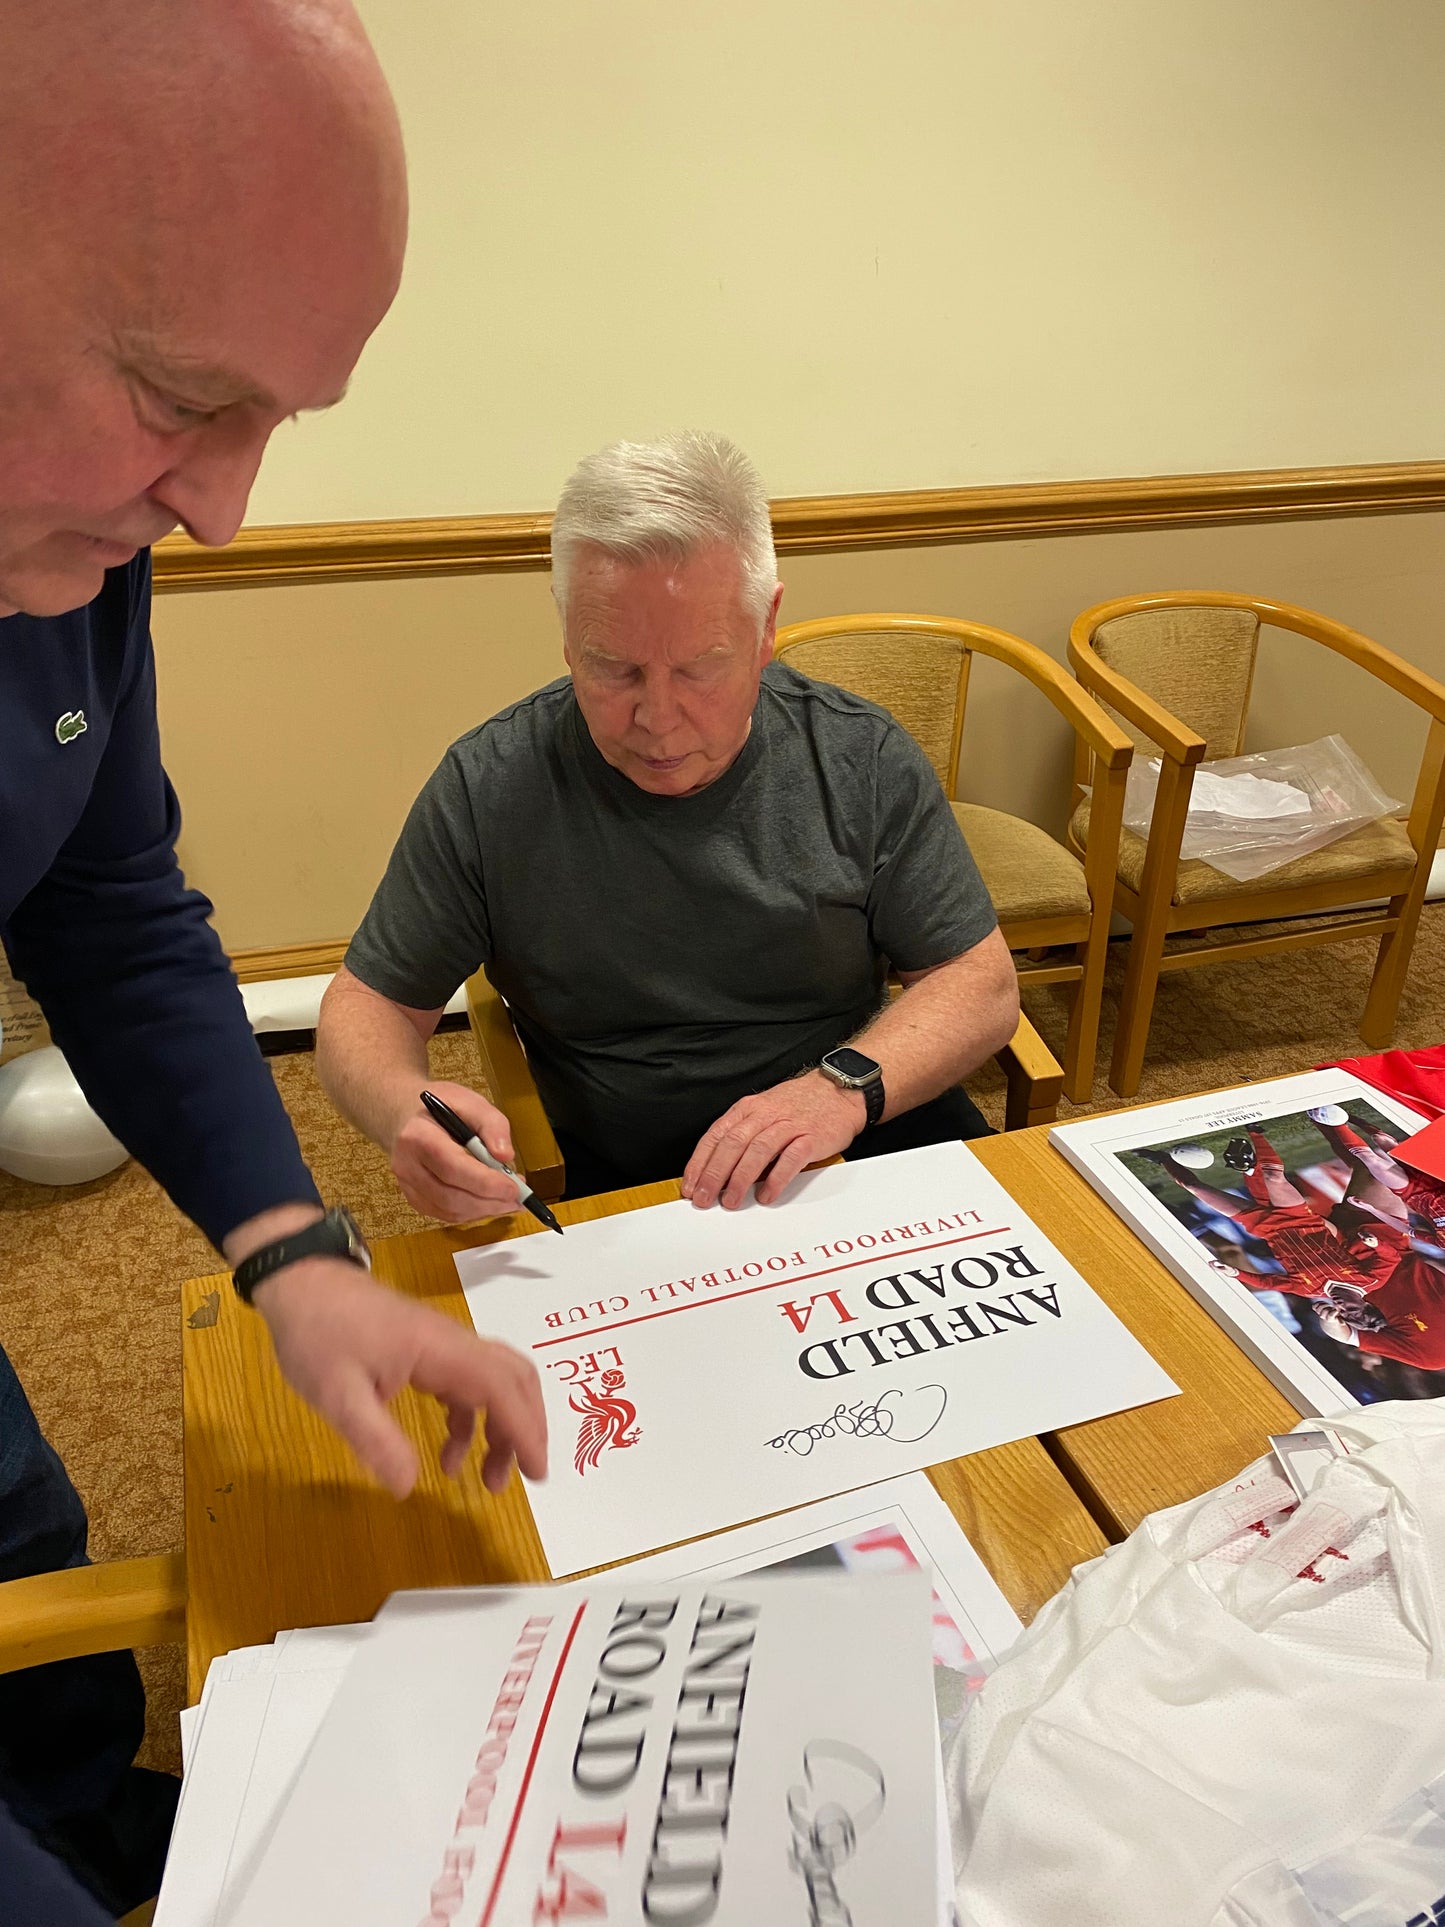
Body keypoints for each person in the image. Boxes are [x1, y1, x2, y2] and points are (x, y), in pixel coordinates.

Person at [0, 4, 545, 1913]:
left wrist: (290, 1253)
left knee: (24, 1547)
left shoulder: (64, 549)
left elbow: (113, 910)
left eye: (276, 418)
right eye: (175, 392)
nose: (222, 509)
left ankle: (87, 1805)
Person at [317, 432, 1019, 1222]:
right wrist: (403, 1108)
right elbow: (364, 1006)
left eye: (698, 667)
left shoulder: (859, 756)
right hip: (635, 1183)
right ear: (566, 635)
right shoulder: (490, 784)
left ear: (766, 629)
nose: (657, 719)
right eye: (613, 668)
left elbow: (980, 983)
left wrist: (838, 1088)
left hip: (853, 1137)